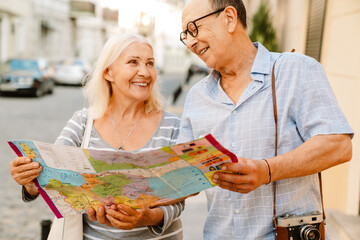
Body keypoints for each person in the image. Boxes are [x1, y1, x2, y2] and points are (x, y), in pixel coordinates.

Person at [179, 0, 353, 239]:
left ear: (229, 18)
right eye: (185, 36)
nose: (190, 42)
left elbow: (338, 146)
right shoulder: (196, 97)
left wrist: (267, 171)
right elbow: (184, 174)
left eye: (193, 29)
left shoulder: (296, 70)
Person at [9, 33, 184, 240]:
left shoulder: (173, 125)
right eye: (133, 62)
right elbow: (51, 174)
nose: (145, 72)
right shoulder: (83, 122)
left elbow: (180, 196)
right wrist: (30, 182)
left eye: (150, 63)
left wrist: (150, 217)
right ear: (108, 72)